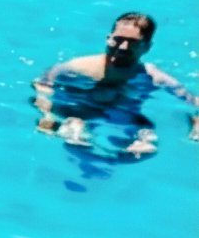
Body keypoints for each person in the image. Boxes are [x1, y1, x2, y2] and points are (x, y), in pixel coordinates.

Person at [32, 13, 199, 158]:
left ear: (147, 47)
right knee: (75, 132)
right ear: (108, 39)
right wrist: (47, 115)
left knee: (147, 145)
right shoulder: (79, 67)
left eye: (133, 42)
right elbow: (43, 83)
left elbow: (194, 102)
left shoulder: (154, 78)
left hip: (121, 118)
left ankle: (110, 162)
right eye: (118, 40)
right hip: (80, 113)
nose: (123, 47)